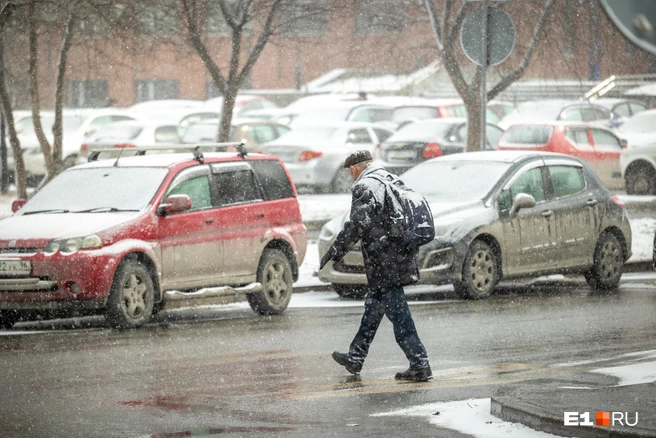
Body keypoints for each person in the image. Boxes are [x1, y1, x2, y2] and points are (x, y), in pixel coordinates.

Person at [320, 150, 432, 382]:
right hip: (397, 257)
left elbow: (358, 224)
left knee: (400, 316)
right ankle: (356, 357)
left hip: (385, 262)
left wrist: (337, 249)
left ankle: (420, 363)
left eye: (350, 172)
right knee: (373, 311)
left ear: (354, 169)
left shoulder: (367, 185)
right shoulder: (389, 179)